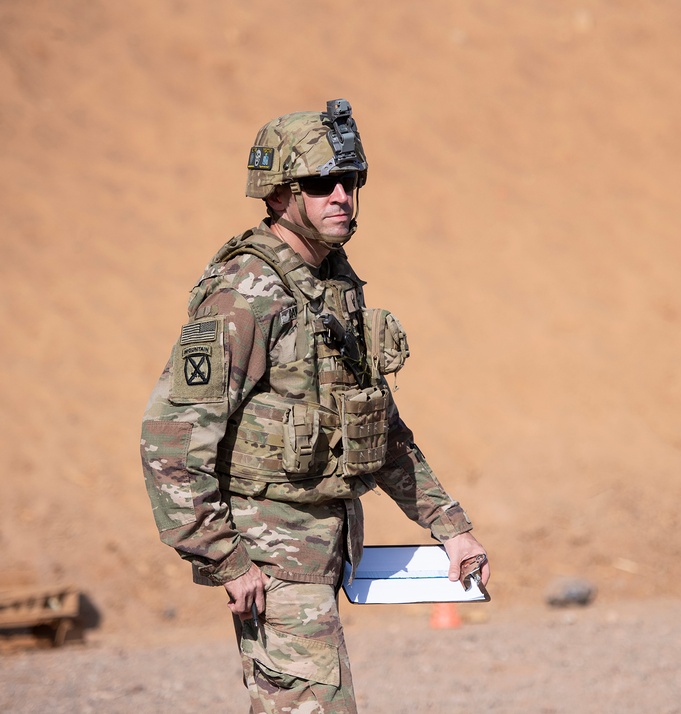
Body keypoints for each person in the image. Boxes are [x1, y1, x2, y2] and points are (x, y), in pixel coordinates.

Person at [139, 99, 489, 713]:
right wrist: (224, 557)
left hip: (323, 545)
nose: (341, 196)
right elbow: (169, 437)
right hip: (271, 554)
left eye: (349, 180)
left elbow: (372, 423)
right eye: (320, 182)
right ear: (277, 195)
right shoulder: (246, 293)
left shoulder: (332, 283)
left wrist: (448, 525)